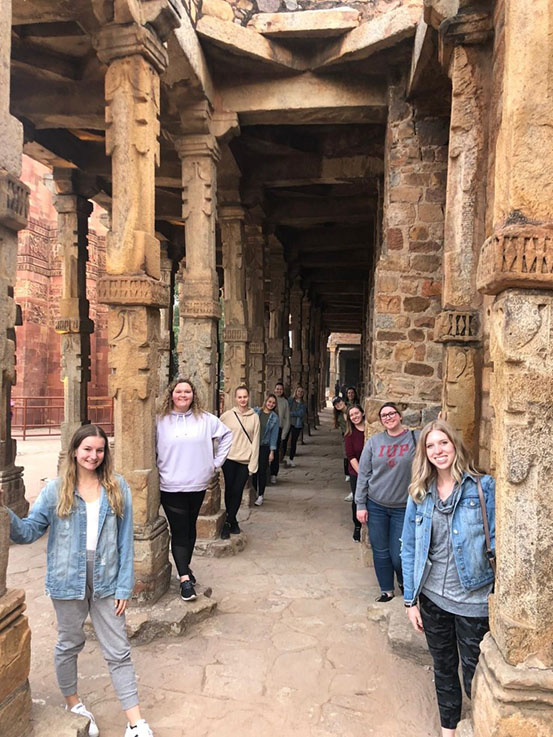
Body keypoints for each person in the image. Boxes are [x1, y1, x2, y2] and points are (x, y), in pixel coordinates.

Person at [7, 424, 153, 737]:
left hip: (107, 580)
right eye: (87, 449)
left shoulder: (117, 487)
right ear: (75, 450)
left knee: (118, 650)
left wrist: (124, 586)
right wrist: (4, 513)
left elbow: (126, 541)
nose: (93, 456)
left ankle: (136, 722)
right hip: (67, 581)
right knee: (69, 644)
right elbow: (29, 531)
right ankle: (74, 703)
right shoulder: (55, 489)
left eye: (99, 450)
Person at [401, 420, 495, 737]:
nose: (437, 451)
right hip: (432, 598)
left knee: (473, 671)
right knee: (443, 668)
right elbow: (410, 548)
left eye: (443, 443)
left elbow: (496, 541)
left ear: (455, 445)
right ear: (424, 453)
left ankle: (482, 725)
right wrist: (410, 600)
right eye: (430, 446)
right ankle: (449, 731)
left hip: (474, 599)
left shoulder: (483, 488)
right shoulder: (420, 493)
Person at [156, 377, 233, 601]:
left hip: (198, 483)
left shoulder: (205, 420)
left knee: (190, 529)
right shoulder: (160, 421)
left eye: (187, 392)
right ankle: (184, 579)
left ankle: (185, 568)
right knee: (180, 531)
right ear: (171, 394)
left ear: (193, 395)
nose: (183, 395)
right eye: (179, 391)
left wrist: (215, 463)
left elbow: (227, 434)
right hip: (171, 485)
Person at [355, 402, 418, 602]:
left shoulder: (414, 438)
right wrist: (361, 504)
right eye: (383, 416)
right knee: (380, 550)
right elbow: (364, 474)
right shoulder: (374, 442)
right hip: (377, 504)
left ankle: (403, 580)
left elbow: (438, 438)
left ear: (400, 416)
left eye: (391, 414)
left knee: (399, 554)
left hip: (403, 507)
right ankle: (386, 590)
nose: (388, 417)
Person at [220, 385, 260, 538]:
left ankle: (228, 523)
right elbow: (218, 435)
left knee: (238, 491)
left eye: (245, 397)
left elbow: (256, 440)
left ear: (248, 397)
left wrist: (253, 463)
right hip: (229, 458)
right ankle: (232, 520)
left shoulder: (254, 417)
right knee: (229, 490)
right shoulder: (227, 416)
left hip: (245, 460)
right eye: (240, 397)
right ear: (235, 398)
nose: (242, 400)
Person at [252, 393, 280, 506]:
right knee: (253, 470)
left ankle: (260, 495)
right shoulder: (256, 412)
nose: (271, 404)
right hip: (253, 445)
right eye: (269, 402)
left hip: (264, 446)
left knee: (262, 471)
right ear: (266, 401)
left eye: (273, 403)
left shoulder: (274, 418)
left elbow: (274, 436)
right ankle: (254, 492)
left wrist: (272, 452)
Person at [344, 404, 366, 542]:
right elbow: (351, 456)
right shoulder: (349, 434)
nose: (355, 417)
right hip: (356, 471)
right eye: (351, 415)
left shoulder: (371, 430)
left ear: (362, 413)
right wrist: (361, 473)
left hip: (373, 471)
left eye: (356, 413)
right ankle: (357, 526)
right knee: (357, 499)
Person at [270, 382, 290, 485]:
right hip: (268, 429)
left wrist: (284, 434)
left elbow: (287, 419)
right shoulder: (270, 400)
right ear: (274, 389)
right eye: (277, 389)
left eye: (280, 389)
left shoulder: (285, 402)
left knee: (275, 452)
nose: (278, 390)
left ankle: (274, 474)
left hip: (278, 429)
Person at [284, 386, 307, 467]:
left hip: (297, 424)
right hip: (288, 423)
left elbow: (301, 414)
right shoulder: (290, 400)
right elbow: (287, 410)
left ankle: (291, 459)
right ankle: (283, 457)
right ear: (296, 392)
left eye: (301, 392)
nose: (300, 393)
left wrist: (291, 413)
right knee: (284, 439)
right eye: (298, 391)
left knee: (294, 442)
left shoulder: (303, 403)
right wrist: (294, 413)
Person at [333, 396, 351, 493]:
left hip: (353, 435)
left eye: (339, 402)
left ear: (343, 401)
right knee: (346, 454)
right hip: (346, 436)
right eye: (336, 404)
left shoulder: (352, 409)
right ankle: (347, 473)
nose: (338, 404)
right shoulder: (339, 415)